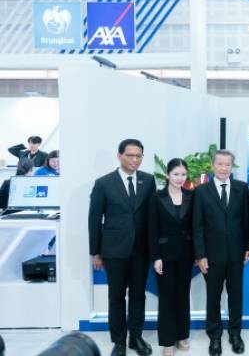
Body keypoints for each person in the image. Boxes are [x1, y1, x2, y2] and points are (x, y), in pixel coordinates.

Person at [88, 139, 157, 356]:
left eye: (139, 156)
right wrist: (95, 252)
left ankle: (136, 338)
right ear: (119, 156)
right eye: (130, 155)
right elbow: (94, 219)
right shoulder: (103, 183)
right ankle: (118, 341)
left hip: (141, 250)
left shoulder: (148, 180)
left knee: (138, 295)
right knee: (116, 297)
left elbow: (152, 215)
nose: (135, 160)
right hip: (114, 250)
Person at [193, 150, 249, 356]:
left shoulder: (241, 189)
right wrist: (200, 255)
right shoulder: (201, 191)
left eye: (227, 164)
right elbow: (197, 226)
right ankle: (215, 337)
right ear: (212, 166)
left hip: (236, 254)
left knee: (236, 296)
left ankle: (235, 334)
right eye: (220, 164)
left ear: (232, 167)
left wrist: (247, 247)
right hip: (211, 256)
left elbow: (246, 220)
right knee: (213, 297)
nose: (223, 168)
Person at [148, 158, 194, 356]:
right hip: (164, 256)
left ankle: (182, 335)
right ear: (167, 175)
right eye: (176, 174)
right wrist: (156, 257)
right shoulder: (156, 197)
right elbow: (152, 230)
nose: (179, 178)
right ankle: (167, 341)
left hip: (186, 254)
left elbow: (195, 226)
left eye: (183, 174)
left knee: (182, 296)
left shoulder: (191, 196)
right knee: (166, 298)